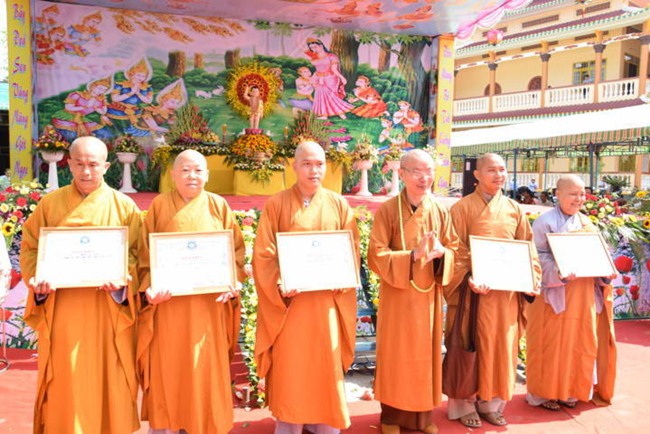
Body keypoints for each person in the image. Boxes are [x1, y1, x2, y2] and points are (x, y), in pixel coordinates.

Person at [20, 136, 141, 434]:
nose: (86, 171)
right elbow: (31, 248)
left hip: (108, 312)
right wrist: (37, 280)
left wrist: (122, 279)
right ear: (69, 164)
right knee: (67, 377)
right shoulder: (50, 204)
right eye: (80, 164)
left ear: (106, 167)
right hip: (63, 310)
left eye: (93, 164)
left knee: (108, 375)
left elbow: (139, 255)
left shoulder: (124, 206)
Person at [253, 140, 360, 434]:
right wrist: (279, 281)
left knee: (324, 367)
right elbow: (264, 253)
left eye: (319, 164)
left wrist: (342, 275)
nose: (314, 170)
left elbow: (351, 249)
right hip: (292, 306)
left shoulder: (339, 204)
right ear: (294, 166)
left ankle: (323, 425)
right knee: (293, 369)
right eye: (307, 164)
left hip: (326, 306)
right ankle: (290, 425)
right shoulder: (277, 203)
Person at [136, 150, 246, 434]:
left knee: (205, 371)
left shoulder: (219, 206)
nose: (192, 176)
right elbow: (144, 257)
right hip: (169, 308)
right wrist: (149, 288)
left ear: (207, 175)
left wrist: (233, 282)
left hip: (208, 310)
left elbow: (235, 252)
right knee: (170, 371)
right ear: (173, 175)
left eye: (198, 170)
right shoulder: (160, 205)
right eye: (185, 170)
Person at [445, 153, 541, 428]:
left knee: (502, 348)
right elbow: (455, 250)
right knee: (470, 346)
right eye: (491, 170)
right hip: (475, 295)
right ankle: (464, 405)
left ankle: (491, 403)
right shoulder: (462, 208)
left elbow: (528, 248)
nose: (499, 175)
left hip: (506, 297)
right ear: (477, 175)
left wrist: (531, 279)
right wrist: (469, 277)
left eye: (502, 170)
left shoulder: (513, 209)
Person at [368, 150, 458, 434]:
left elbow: (455, 249)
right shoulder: (387, 210)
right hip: (398, 296)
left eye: (429, 171)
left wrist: (442, 254)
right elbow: (375, 254)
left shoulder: (440, 211)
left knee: (424, 357)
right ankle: (391, 418)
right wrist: (412, 255)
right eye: (417, 172)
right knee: (397, 356)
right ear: (402, 174)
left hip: (427, 297)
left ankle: (421, 418)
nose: (424, 178)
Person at [526, 175, 617, 411]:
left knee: (580, 345)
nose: (579, 199)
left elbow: (598, 255)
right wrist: (558, 272)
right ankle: (543, 393)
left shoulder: (587, 223)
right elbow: (536, 257)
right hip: (555, 295)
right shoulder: (544, 222)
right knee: (551, 345)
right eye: (573, 194)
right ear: (558, 194)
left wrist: (606, 273)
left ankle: (570, 390)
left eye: (582, 194)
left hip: (584, 296)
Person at [305, 38, 353, 119]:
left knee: (332, 96)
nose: (314, 49)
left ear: (321, 45)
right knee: (321, 96)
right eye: (311, 48)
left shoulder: (331, 56)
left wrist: (342, 77)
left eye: (315, 46)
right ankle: (324, 115)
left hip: (330, 78)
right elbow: (317, 68)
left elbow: (334, 69)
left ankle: (341, 114)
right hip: (318, 78)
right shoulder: (314, 57)